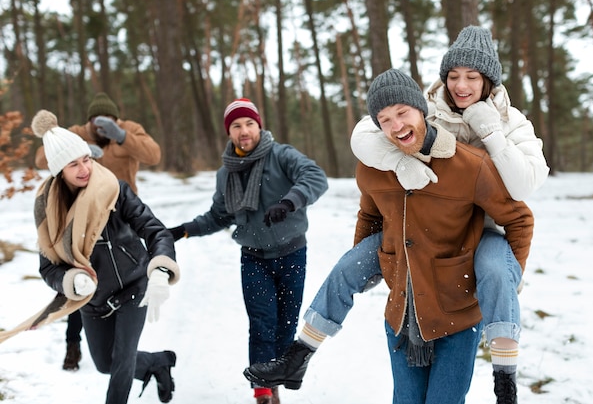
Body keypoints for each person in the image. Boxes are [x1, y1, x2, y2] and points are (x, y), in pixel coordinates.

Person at [244, 26, 548, 404]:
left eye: (472, 76)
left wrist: (490, 134)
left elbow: (521, 196)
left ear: (489, 80)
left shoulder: (505, 126)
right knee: (346, 267)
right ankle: (299, 354)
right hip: (411, 259)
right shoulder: (416, 120)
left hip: (480, 235)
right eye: (454, 76)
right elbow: (369, 150)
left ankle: (505, 381)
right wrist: (380, 259)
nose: (461, 84)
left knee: (494, 271)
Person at [167, 98, 328, 404]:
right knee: (261, 323)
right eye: (237, 125)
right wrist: (183, 230)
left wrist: (289, 202)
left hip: (292, 253)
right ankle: (263, 392)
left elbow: (315, 177)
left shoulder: (282, 155)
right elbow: (219, 215)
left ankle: (279, 376)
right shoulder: (226, 174)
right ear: (229, 132)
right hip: (254, 258)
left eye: (249, 123)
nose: (244, 131)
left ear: (259, 125)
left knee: (286, 324)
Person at [31, 109, 180, 404]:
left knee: (122, 366)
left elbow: (156, 231)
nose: (85, 168)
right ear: (60, 171)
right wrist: (71, 280)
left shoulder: (115, 191)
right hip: (92, 299)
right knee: (105, 364)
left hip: (133, 288)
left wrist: (160, 268)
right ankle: (158, 362)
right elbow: (48, 267)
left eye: (86, 159)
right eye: (74, 164)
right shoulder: (50, 211)